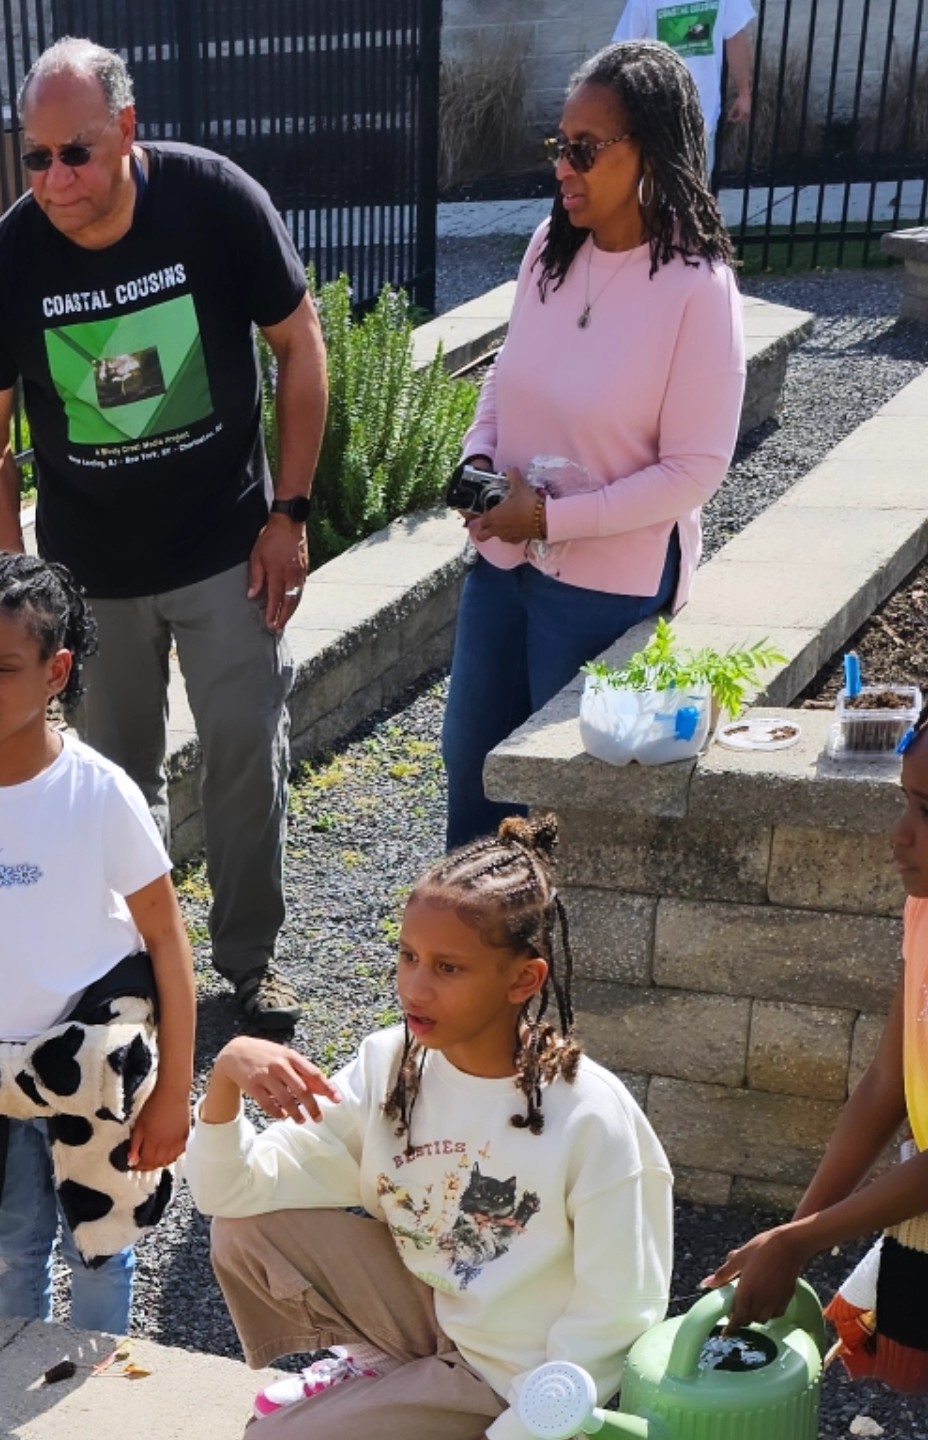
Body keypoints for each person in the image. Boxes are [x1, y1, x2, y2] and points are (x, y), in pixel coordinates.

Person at [0, 37, 328, 1032]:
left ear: (126, 128)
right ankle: (139, 969)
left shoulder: (215, 201)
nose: (55, 180)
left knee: (245, 746)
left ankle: (250, 964)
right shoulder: (9, 263)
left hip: (225, 548)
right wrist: (18, 587)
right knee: (117, 784)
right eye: (36, 159)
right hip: (91, 573)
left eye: (75, 153)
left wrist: (289, 514)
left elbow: (300, 346)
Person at [183, 815, 673, 1440]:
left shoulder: (592, 1118)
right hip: (435, 1315)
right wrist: (226, 1077)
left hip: (509, 1377)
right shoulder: (391, 1064)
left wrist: (525, 1428)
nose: (415, 988)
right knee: (244, 1231)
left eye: (448, 969)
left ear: (523, 980)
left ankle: (420, 1402)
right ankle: (383, 1368)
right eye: (408, 956)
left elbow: (618, 1315)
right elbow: (227, 1193)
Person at [0, 552, 196, 1335]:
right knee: (11, 1248)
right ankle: (5, 1378)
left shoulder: (99, 794)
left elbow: (166, 941)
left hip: (91, 1075)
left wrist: (172, 1092)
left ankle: (96, 1385)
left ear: (56, 672)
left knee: (102, 1247)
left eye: (3, 668)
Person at [440, 39, 745, 849]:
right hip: (504, 562)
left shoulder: (697, 287)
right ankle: (462, 931)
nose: (563, 168)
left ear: (650, 150)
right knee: (472, 773)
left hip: (605, 588)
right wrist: (479, 459)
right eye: (561, 146)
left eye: (585, 149)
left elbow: (695, 471)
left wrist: (550, 519)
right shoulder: (550, 248)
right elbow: (506, 373)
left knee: (559, 811)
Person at [705, 705, 928, 1391]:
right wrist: (790, 1239)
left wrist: (802, 1239)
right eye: (906, 802)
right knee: (904, 1372)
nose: (899, 834)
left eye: (927, 811)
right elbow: (888, 1081)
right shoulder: (924, 907)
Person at [612, 0, 756, 177]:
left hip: (703, 115)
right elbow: (623, 53)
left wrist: (744, 93)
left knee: (696, 183)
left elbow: (736, 38)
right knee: (658, 185)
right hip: (656, 117)